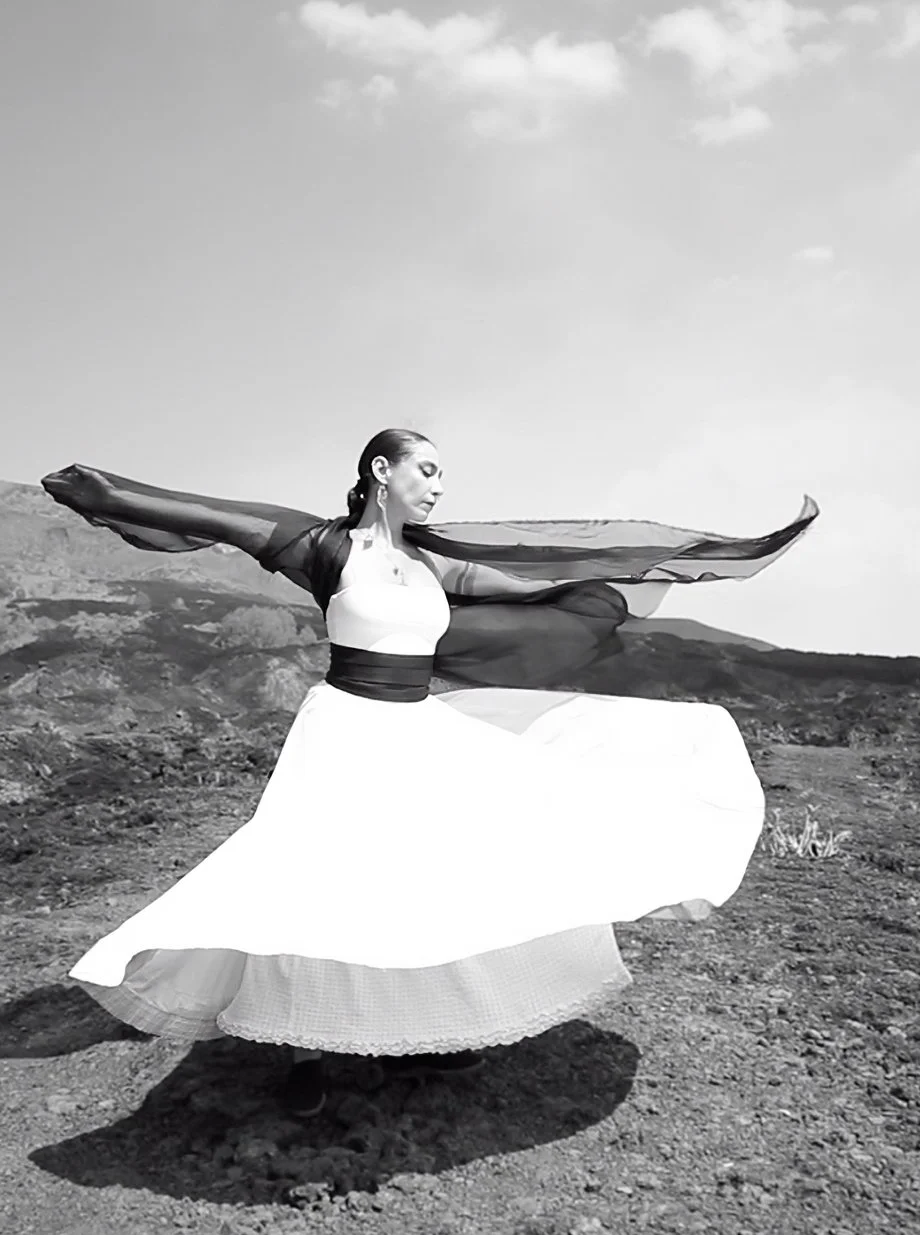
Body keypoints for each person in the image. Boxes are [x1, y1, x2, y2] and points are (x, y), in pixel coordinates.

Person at [41, 430, 817, 1117]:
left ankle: (417, 1031)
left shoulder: (435, 562)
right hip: (343, 729)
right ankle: (302, 1046)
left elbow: (538, 589)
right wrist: (112, 494)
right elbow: (217, 517)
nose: (441, 486)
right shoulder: (325, 548)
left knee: (422, 877)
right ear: (382, 471)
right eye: (429, 469)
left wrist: (645, 577)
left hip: (414, 729)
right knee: (316, 874)